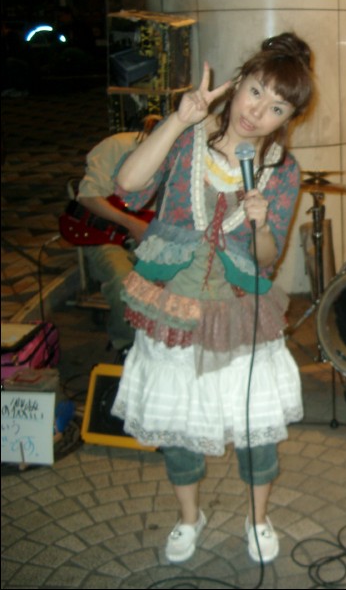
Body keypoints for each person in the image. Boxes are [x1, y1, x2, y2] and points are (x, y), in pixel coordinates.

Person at [110, 33, 315, 564]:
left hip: (238, 310)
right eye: (254, 93)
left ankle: (258, 518)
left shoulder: (281, 170)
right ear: (238, 82)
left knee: (254, 425)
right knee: (178, 423)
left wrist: (262, 221)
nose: (257, 113)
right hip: (172, 305)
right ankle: (188, 518)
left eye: (276, 107)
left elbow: (267, 257)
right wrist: (178, 119)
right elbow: (128, 184)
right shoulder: (186, 138)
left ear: (287, 118)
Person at [76, 115, 161, 355]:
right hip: (106, 235)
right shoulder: (117, 146)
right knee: (123, 282)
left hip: (152, 238)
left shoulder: (180, 157)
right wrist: (130, 222)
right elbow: (87, 196)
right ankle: (126, 348)